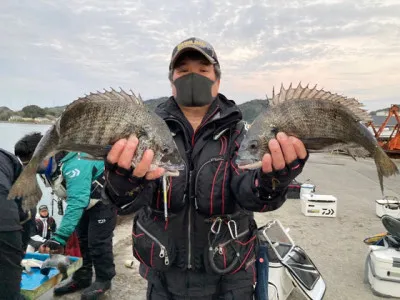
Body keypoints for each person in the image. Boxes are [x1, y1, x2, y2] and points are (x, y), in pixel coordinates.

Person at [102, 37, 309, 299]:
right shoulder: (146, 133)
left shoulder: (241, 134)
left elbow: (251, 195)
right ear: (171, 80)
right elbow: (127, 204)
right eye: (183, 70)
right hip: (163, 279)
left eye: (202, 70)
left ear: (217, 80)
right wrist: (121, 185)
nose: (192, 77)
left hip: (230, 278)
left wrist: (272, 180)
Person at [14, 133, 117, 300]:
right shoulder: (50, 163)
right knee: (82, 239)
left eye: (32, 164)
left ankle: (104, 281)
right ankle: (82, 278)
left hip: (103, 201)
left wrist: (59, 237)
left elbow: (77, 202)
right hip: (84, 199)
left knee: (98, 242)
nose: (30, 170)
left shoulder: (76, 163)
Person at [0, 147, 28, 300]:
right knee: (10, 291)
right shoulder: (10, 160)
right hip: (3, 221)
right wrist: (20, 250)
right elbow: (25, 212)